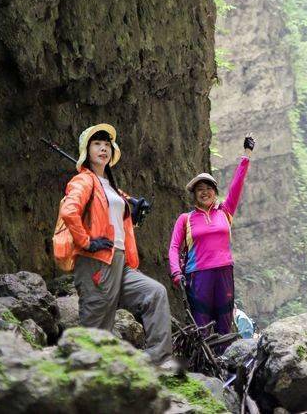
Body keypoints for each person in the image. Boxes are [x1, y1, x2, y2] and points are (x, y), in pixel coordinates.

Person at [60, 123, 176, 367]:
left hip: (119, 262)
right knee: (96, 331)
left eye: (107, 145)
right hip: (96, 263)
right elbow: (69, 211)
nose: (103, 149)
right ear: (87, 151)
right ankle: (84, 379)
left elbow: (113, 221)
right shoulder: (83, 181)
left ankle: (158, 359)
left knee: (155, 293)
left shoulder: (111, 187)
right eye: (97, 144)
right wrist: (87, 241)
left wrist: (132, 214)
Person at [168, 135, 254, 336]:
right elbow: (173, 247)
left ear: (215, 192)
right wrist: (175, 273)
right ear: (194, 194)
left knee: (224, 322)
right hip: (198, 277)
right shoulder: (185, 219)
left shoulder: (225, 212)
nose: (204, 192)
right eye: (200, 189)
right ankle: (204, 365)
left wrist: (246, 155)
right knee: (202, 325)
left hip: (224, 273)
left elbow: (237, 185)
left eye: (208, 188)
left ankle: (224, 362)